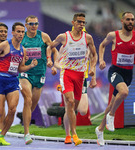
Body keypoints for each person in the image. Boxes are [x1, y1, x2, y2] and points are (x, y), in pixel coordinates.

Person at [48, 13, 97, 146]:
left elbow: (94, 55)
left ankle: (68, 134)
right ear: (73, 22)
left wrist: (93, 69)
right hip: (67, 74)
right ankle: (73, 135)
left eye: (83, 23)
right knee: (69, 101)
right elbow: (50, 47)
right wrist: (50, 61)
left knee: (73, 108)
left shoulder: (88, 38)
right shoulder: (64, 38)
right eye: (79, 22)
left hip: (81, 76)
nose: (81, 24)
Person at [0, 22, 38, 146]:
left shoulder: (23, 50)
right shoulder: (5, 45)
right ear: (13, 33)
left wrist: (30, 66)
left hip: (13, 82)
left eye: (22, 32)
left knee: (12, 109)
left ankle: (2, 135)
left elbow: (20, 68)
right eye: (18, 32)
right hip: (1, 80)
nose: (20, 34)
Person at [95, 11, 135, 146]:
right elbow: (102, 45)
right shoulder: (113, 35)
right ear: (122, 21)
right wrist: (101, 60)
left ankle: (100, 129)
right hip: (115, 71)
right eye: (128, 19)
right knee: (124, 92)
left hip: (128, 74)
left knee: (112, 103)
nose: (131, 22)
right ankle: (111, 115)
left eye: (133, 20)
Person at [18, 15, 58, 145]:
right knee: (27, 99)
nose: (33, 26)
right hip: (25, 73)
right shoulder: (21, 38)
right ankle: (26, 133)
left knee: (32, 104)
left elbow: (53, 49)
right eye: (31, 24)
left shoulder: (44, 36)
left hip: (40, 74)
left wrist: (53, 62)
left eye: (35, 24)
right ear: (26, 25)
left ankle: (26, 121)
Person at [58, 27, 97, 144]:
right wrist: (59, 67)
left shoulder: (88, 47)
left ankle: (70, 127)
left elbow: (93, 60)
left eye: (84, 34)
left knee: (82, 110)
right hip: (67, 77)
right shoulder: (66, 44)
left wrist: (93, 78)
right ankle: (68, 135)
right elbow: (58, 60)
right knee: (69, 106)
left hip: (82, 79)